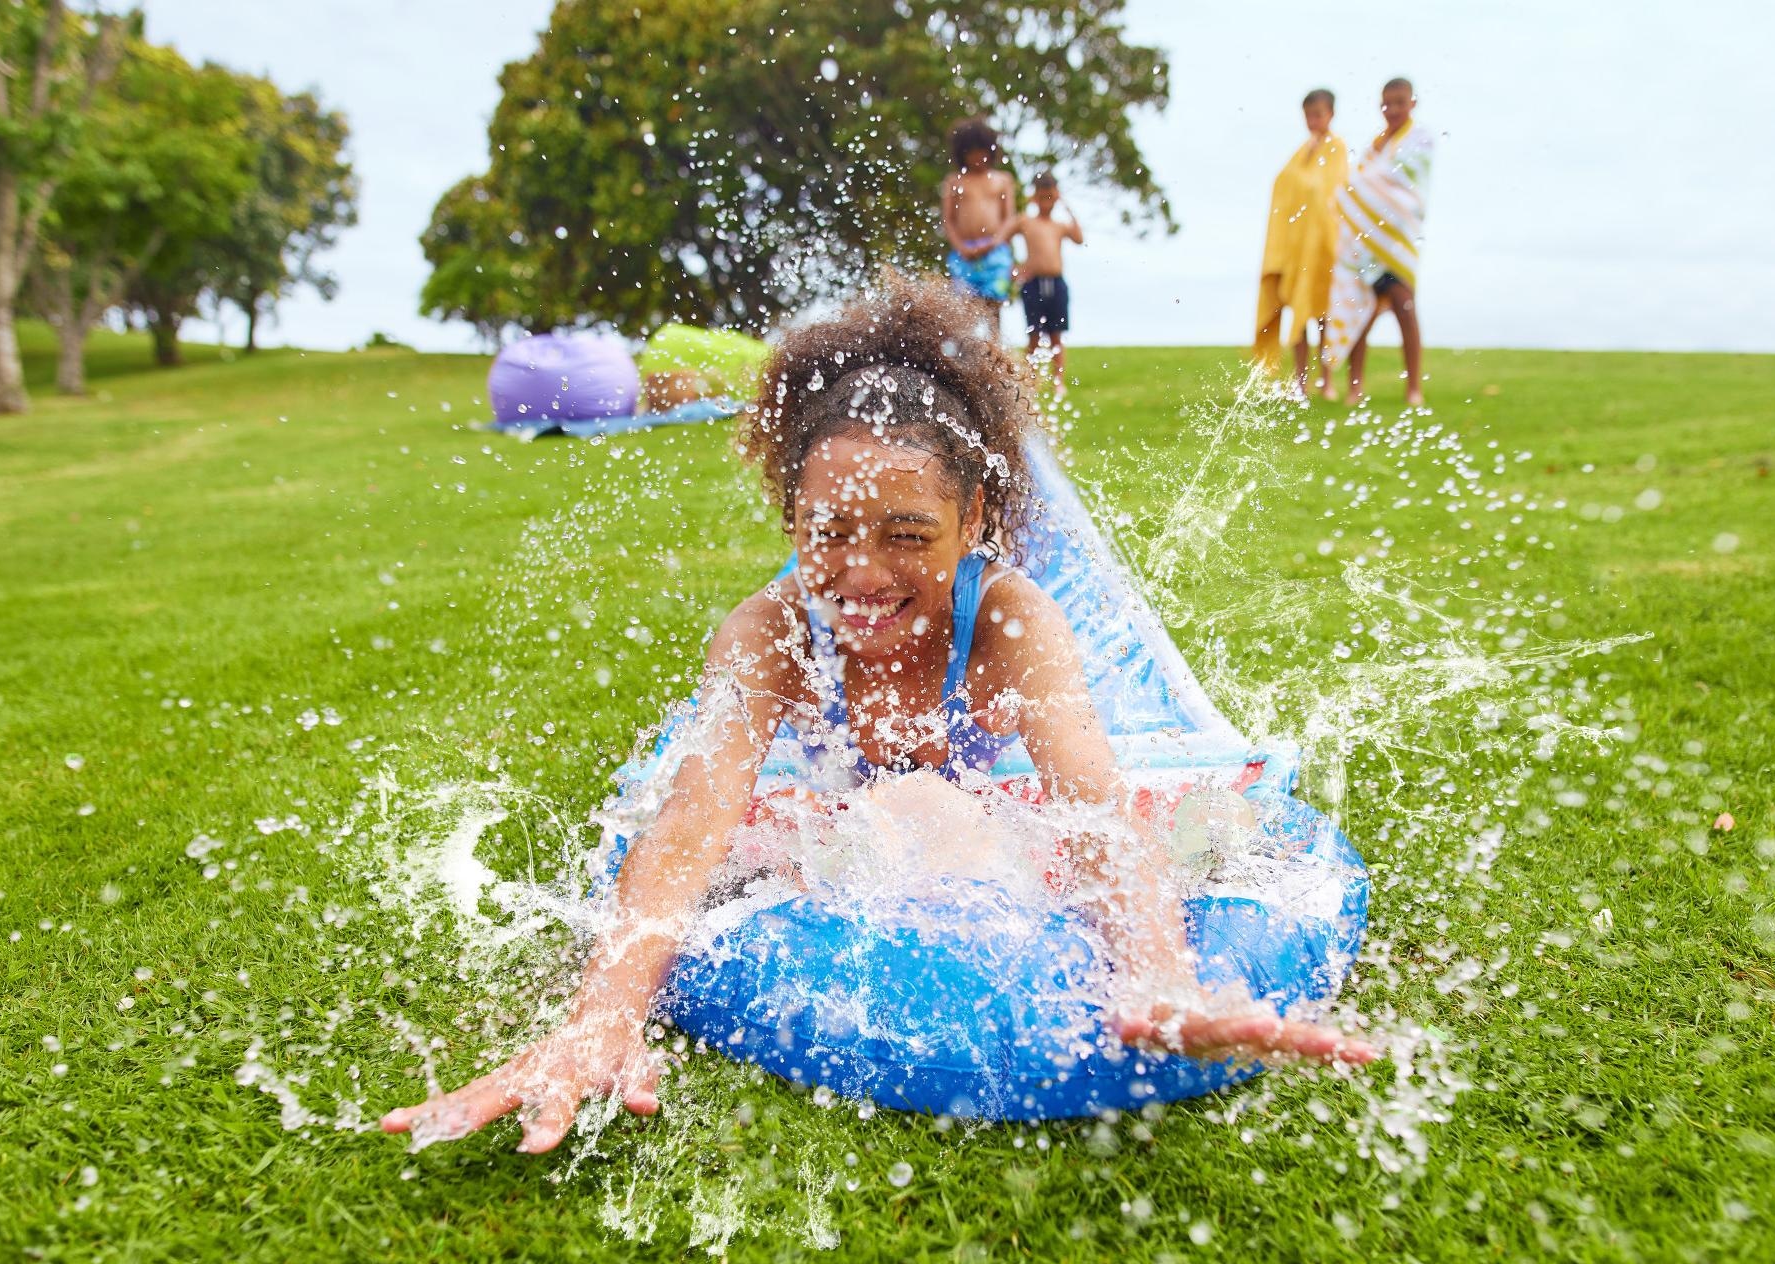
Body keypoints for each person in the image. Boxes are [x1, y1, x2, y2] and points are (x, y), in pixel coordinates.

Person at [381, 274, 1377, 1154]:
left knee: (1159, 828)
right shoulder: (769, 632)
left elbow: (1092, 799)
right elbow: (692, 820)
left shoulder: (1008, 621)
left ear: (976, 519)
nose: (861, 574)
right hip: (817, 783)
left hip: (982, 760)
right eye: (828, 532)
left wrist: (1160, 971)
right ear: (789, 517)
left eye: (907, 535)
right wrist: (602, 1012)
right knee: (776, 801)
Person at [1323, 78, 1439, 407]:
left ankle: (1413, 387)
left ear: (1412, 103)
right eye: (1387, 103)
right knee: (1361, 315)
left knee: (1405, 307)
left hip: (1397, 242)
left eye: (1400, 102)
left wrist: (1365, 189)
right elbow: (1358, 184)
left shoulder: (1420, 139)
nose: (1393, 110)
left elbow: (1405, 187)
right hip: (1366, 247)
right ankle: (1354, 388)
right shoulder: (1375, 146)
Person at [1251, 90, 1350, 397]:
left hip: (1322, 244)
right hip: (1298, 248)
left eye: (1318, 114)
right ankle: (1301, 381)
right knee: (1299, 315)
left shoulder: (1336, 147)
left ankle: (1327, 380)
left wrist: (1305, 188)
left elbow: (1331, 188)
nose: (1313, 121)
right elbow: (1284, 183)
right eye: (1308, 115)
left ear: (1330, 114)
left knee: (1323, 316)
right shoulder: (1302, 152)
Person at [997, 170, 1083, 393]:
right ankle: (1030, 380)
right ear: (1035, 197)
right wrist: (1013, 268)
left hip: (1056, 282)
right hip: (1033, 283)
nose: (1047, 202)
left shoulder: (1059, 225)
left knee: (1056, 334)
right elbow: (1003, 236)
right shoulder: (1026, 221)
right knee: (1034, 333)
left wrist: (1066, 206)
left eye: (1051, 197)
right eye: (1042, 197)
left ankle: (1059, 381)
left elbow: (1079, 238)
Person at [940, 117, 1018, 312]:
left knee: (994, 305)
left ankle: (994, 343)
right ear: (962, 153)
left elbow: (1009, 219)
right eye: (972, 152)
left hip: (995, 251)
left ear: (991, 151)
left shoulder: (1002, 180)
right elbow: (948, 220)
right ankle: (967, 344)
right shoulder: (954, 181)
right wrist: (961, 248)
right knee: (964, 308)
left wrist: (994, 243)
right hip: (964, 253)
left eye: (982, 151)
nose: (978, 157)